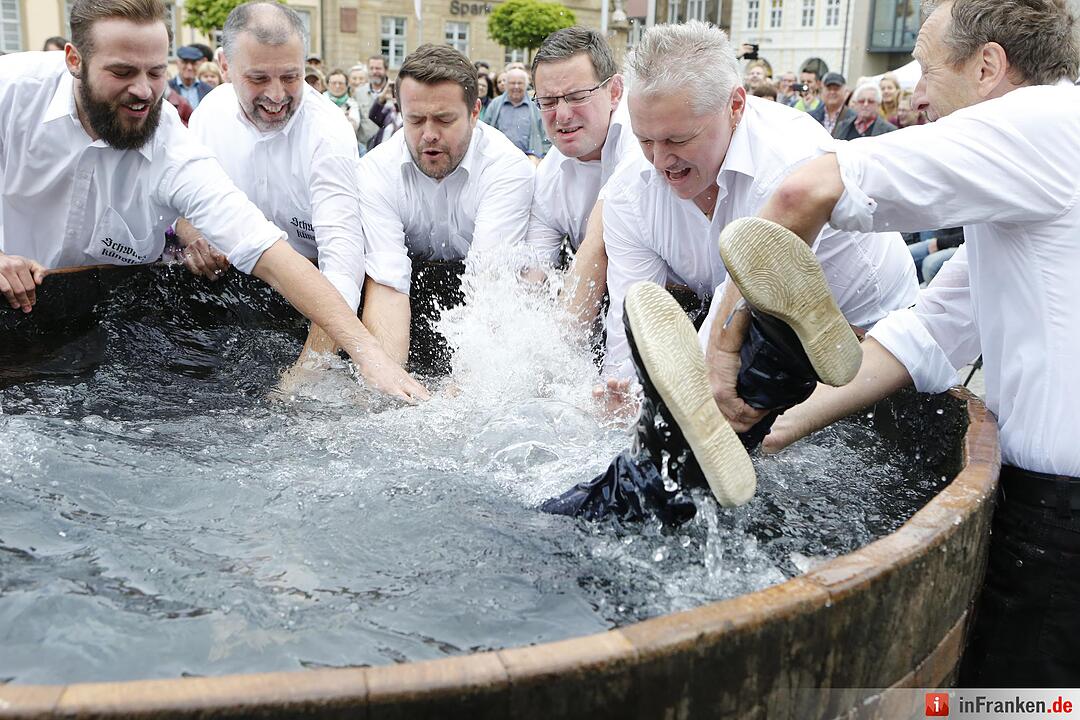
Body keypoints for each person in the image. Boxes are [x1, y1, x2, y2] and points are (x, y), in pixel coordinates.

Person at [704, 0, 1080, 687]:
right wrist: (773, 426)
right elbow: (926, 333)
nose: (917, 97)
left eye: (928, 71)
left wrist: (726, 351)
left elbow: (801, 193)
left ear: (988, 67)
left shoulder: (1039, 125)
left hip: (1063, 521)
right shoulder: (1041, 167)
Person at [0, 0, 426, 403]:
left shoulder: (172, 145)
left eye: (156, 72)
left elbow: (264, 247)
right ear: (74, 60)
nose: (143, 91)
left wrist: (370, 357)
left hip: (105, 327)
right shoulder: (11, 90)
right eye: (122, 72)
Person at [595, 21, 917, 447]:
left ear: (735, 105)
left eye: (678, 139)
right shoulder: (628, 190)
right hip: (764, 337)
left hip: (877, 339)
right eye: (645, 140)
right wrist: (621, 395)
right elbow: (634, 314)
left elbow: (733, 315)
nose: (659, 160)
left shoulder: (791, 160)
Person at [179, 2, 408, 371]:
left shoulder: (328, 132)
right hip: (231, 290)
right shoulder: (209, 114)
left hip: (312, 301)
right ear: (224, 65)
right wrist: (193, 234)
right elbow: (183, 202)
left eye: (290, 77)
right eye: (258, 78)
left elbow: (343, 263)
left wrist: (307, 372)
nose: (276, 95)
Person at [356, 44, 534, 370]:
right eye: (415, 120)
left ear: (475, 112)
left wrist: (462, 388)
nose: (429, 135)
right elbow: (387, 286)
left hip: (478, 290)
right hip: (410, 292)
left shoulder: (507, 168)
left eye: (444, 120)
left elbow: (489, 288)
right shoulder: (376, 170)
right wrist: (387, 384)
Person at [525, 25, 637, 314]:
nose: (562, 116)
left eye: (577, 97)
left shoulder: (641, 139)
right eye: (548, 102)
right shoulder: (549, 175)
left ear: (614, 92)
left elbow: (598, 246)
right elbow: (533, 276)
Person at [481, 67, 547, 161]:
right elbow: (485, 131)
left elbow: (545, 135)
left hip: (528, 160)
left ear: (526, 85)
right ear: (506, 85)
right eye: (512, 83)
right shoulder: (495, 105)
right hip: (499, 159)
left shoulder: (535, 107)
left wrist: (543, 157)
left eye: (520, 83)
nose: (516, 86)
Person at [832, 83, 897, 139]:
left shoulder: (890, 131)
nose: (865, 104)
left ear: (878, 105)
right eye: (861, 101)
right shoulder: (842, 126)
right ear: (855, 104)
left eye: (870, 101)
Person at [169, 44, 212, 108]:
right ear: (177, 63)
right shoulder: (167, 88)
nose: (189, 67)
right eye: (185, 62)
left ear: (200, 64)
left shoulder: (208, 90)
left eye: (193, 63)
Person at [324, 67, 361, 134]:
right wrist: (344, 117)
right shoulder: (320, 100)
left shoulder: (352, 103)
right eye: (333, 83)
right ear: (327, 85)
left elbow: (353, 127)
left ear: (347, 85)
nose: (337, 86)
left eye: (341, 83)